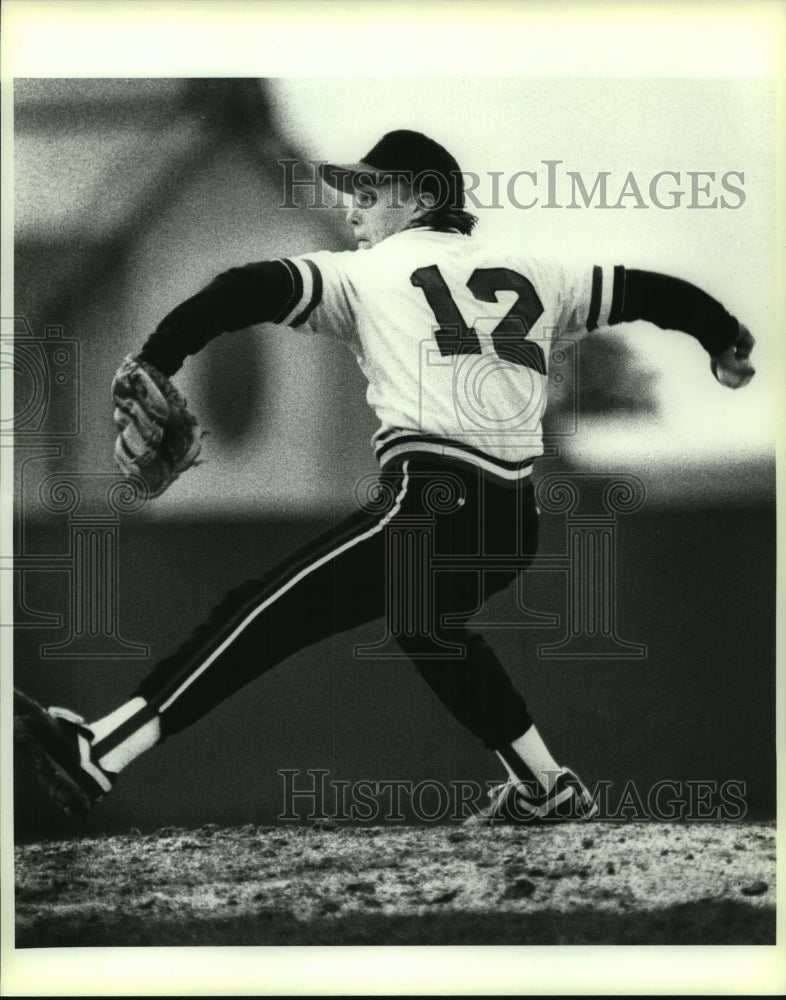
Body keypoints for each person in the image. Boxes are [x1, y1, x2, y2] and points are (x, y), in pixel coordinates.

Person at [15, 129, 755, 825]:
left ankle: (98, 753)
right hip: (511, 521)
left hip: (432, 502)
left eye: (370, 194)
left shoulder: (370, 272)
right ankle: (545, 787)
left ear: (422, 198)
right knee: (427, 626)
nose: (353, 207)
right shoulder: (543, 275)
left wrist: (158, 357)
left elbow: (244, 287)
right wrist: (725, 338)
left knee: (257, 614)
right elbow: (655, 292)